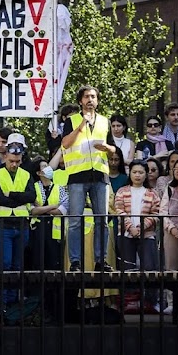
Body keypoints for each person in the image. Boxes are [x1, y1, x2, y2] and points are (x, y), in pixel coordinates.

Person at [61, 86, 116, 273]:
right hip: (77, 176)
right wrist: (81, 126)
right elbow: (65, 143)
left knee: (102, 219)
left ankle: (101, 261)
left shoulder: (104, 121)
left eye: (93, 96)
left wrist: (107, 148)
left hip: (100, 175)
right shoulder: (72, 120)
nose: (90, 100)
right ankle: (75, 262)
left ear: (98, 100)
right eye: (86, 97)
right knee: (75, 220)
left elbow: (114, 148)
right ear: (80, 101)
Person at [0, 133, 35, 307]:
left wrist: (13, 195)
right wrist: (19, 199)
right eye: (11, 161)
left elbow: (31, 196)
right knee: (5, 265)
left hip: (22, 225)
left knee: (17, 266)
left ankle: (14, 302)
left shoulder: (26, 175)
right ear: (6, 156)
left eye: (17, 161)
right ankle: (3, 304)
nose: (14, 164)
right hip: (4, 225)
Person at [114, 160, 160, 273]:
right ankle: (129, 292)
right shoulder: (122, 191)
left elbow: (156, 214)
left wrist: (140, 228)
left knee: (149, 269)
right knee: (127, 270)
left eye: (141, 172)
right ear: (130, 173)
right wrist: (131, 227)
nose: (137, 175)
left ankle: (149, 291)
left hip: (147, 234)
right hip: (125, 234)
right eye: (134, 172)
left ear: (146, 174)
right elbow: (119, 211)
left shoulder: (152, 193)